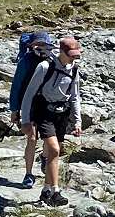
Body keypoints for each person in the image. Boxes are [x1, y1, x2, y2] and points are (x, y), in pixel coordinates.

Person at [19, 34, 82, 205]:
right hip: (44, 112)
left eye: (76, 55)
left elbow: (75, 96)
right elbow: (29, 95)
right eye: (71, 55)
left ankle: (46, 191)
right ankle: (56, 191)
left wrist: (78, 121)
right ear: (61, 51)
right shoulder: (44, 67)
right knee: (53, 149)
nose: (74, 58)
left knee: (56, 152)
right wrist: (25, 120)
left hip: (62, 113)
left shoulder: (74, 69)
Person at [13, 33, 52, 187]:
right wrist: (14, 110)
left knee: (48, 138)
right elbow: (17, 86)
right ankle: (28, 174)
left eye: (44, 45)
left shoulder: (53, 59)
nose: (41, 48)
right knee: (32, 138)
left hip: (48, 104)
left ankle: (44, 157)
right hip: (29, 103)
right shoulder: (26, 61)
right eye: (38, 44)